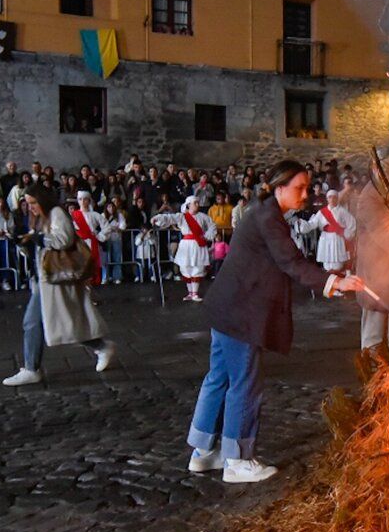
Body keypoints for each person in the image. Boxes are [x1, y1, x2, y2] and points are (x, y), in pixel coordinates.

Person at [189, 160, 363, 483]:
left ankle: (201, 452)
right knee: (244, 381)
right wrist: (334, 282)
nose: (306, 194)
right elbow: (291, 262)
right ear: (279, 187)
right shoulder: (269, 219)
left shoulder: (265, 211)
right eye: (299, 188)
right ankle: (237, 460)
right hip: (239, 313)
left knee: (219, 377)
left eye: (308, 187)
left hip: (227, 308)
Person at [3, 185, 116, 386]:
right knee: (59, 322)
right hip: (46, 278)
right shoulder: (40, 217)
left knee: (49, 322)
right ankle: (100, 346)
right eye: (27, 203)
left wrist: (37, 239)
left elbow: (64, 239)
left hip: (56, 279)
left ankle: (32, 368)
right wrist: (23, 243)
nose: (30, 207)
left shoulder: (56, 213)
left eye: (33, 203)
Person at [153, 194, 216, 302]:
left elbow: (212, 226)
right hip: (186, 245)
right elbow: (170, 218)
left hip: (198, 245)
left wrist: (206, 236)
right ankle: (190, 293)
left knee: (197, 267)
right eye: (194, 203)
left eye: (197, 202)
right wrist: (157, 218)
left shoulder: (203, 216)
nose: (197, 204)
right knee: (186, 267)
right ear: (188, 205)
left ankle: (195, 293)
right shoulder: (182, 216)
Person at [297, 188, 357, 279]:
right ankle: (330, 288)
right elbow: (312, 224)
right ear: (327, 199)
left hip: (338, 240)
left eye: (334, 197)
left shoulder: (342, 211)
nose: (332, 199)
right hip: (325, 240)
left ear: (337, 198)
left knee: (338, 265)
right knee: (327, 265)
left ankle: (339, 286)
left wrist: (347, 234)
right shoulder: (321, 212)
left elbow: (352, 223)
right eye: (330, 197)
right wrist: (302, 226)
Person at [70, 189, 106, 287]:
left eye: (85, 199)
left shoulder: (95, 215)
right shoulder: (74, 216)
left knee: (91, 267)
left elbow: (107, 226)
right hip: (80, 244)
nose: (82, 201)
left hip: (92, 244)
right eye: (80, 199)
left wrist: (98, 235)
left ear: (89, 200)